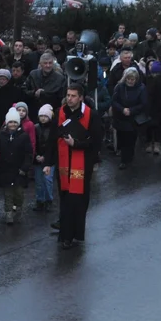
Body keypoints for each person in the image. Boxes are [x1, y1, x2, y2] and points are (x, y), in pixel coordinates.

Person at [45, 85, 102, 250]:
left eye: (73, 96)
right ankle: (66, 235)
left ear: (81, 98)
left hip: (82, 164)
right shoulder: (60, 113)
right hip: (63, 164)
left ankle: (74, 233)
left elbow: (96, 142)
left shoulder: (91, 115)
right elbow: (52, 140)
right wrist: (48, 163)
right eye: (68, 95)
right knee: (66, 200)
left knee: (78, 200)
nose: (70, 99)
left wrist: (76, 144)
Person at [0, 108, 32, 225]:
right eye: (10, 122)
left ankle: (18, 207)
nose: (12, 124)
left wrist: (25, 168)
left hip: (19, 170)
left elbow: (28, 153)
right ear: (6, 123)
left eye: (15, 122)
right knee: (7, 193)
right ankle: (8, 213)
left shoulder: (24, 136)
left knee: (18, 193)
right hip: (5, 170)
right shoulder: (1, 136)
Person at [111, 67, 148, 168]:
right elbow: (114, 101)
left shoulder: (141, 88)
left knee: (131, 139)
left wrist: (131, 110)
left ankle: (129, 157)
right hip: (121, 116)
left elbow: (143, 103)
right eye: (128, 79)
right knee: (122, 139)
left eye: (132, 79)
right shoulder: (119, 87)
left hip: (133, 118)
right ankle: (124, 159)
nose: (130, 81)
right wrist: (122, 109)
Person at [33, 105, 56, 210]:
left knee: (48, 180)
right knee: (39, 181)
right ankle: (40, 200)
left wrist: (46, 157)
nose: (43, 118)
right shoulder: (35, 127)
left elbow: (53, 145)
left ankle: (49, 200)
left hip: (49, 160)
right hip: (38, 158)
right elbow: (33, 143)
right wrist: (36, 155)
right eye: (41, 116)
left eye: (45, 116)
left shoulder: (53, 129)